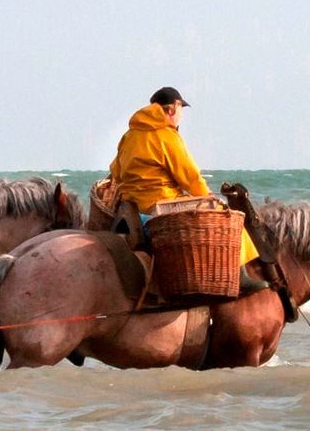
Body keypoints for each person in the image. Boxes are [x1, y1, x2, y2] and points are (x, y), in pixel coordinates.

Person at [109, 86, 262, 290]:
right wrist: (207, 196)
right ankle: (239, 276)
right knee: (228, 217)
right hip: (163, 205)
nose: (181, 115)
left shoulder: (129, 136)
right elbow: (189, 177)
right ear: (172, 108)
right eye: (181, 109)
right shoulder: (166, 136)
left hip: (134, 210)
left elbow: (115, 171)